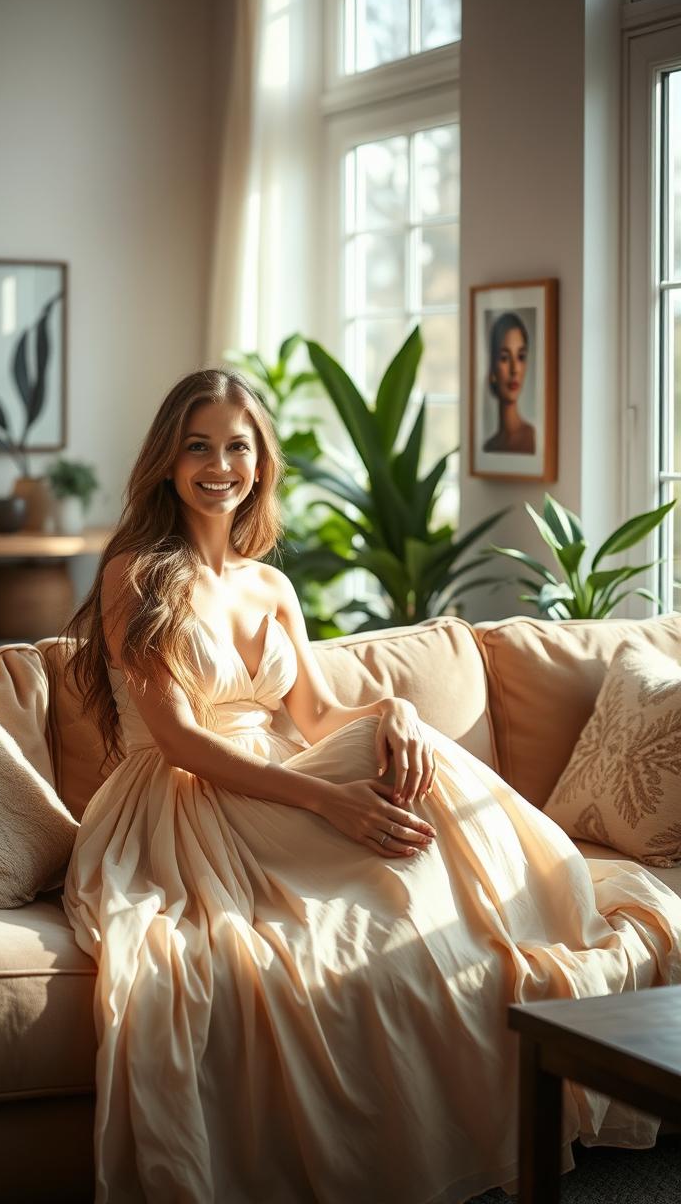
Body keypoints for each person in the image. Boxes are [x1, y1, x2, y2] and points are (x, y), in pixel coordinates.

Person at [60, 368, 681, 1204]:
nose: (219, 465)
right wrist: (325, 797)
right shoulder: (137, 574)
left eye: (237, 446)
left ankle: (533, 934)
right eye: (197, 446)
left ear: (260, 461)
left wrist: (392, 708)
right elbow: (177, 739)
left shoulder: (270, 583)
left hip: (278, 776)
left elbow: (313, 714)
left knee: (417, 757)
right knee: (369, 806)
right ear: (168, 461)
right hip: (182, 798)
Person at [482, 311, 536, 454]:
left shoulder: (533, 439)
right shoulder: (488, 447)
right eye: (505, 358)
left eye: (521, 357)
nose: (515, 369)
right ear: (492, 367)